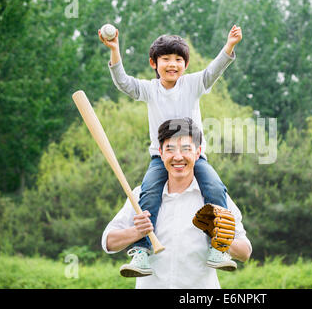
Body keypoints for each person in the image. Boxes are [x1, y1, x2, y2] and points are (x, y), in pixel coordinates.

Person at [98, 25, 242, 277]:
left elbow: (213, 70)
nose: (172, 64)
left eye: (178, 59)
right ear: (154, 63)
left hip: (194, 158)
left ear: (185, 64)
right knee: (149, 193)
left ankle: (218, 247)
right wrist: (115, 51)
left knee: (216, 189)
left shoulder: (193, 84)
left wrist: (229, 46)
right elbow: (123, 83)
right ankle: (142, 251)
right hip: (159, 158)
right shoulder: (149, 89)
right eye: (165, 59)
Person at [101, 118, 252, 288]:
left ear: (198, 152)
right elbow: (108, 242)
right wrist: (137, 232)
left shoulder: (215, 197)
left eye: (186, 149)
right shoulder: (141, 196)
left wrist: (220, 236)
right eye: (170, 149)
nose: (178, 157)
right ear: (161, 153)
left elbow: (245, 252)